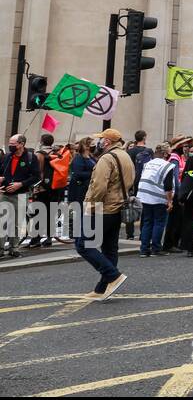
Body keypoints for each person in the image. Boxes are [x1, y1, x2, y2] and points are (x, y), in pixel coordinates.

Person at [78, 129, 134, 300]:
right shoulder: (125, 156)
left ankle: (113, 275)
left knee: (83, 244)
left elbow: (99, 186)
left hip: (103, 208)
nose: (98, 142)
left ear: (107, 142)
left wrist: (91, 206)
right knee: (110, 248)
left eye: (101, 139)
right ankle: (102, 288)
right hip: (118, 207)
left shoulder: (107, 158)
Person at [2, 135, 39, 258]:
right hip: (4, 194)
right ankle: (1, 249)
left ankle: (14, 248)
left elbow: (36, 176)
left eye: (13, 144)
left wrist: (20, 184)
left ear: (21, 144)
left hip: (21, 194)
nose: (10, 146)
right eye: (9, 143)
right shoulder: (7, 156)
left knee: (16, 223)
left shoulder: (30, 158)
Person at [136, 144, 172, 257]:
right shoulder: (167, 166)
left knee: (147, 222)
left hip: (143, 195)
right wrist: (170, 201)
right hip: (157, 197)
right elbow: (168, 187)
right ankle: (156, 248)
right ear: (165, 154)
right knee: (159, 222)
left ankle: (144, 249)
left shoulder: (148, 163)